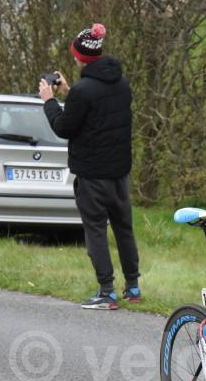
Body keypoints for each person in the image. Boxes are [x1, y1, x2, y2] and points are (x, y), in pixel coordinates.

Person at [39, 23, 140, 310]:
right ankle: (133, 286)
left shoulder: (84, 91)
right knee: (124, 228)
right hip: (119, 170)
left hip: (92, 174)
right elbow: (97, 111)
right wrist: (70, 92)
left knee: (95, 229)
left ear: (79, 56)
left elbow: (64, 127)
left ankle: (106, 291)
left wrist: (50, 101)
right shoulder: (119, 83)